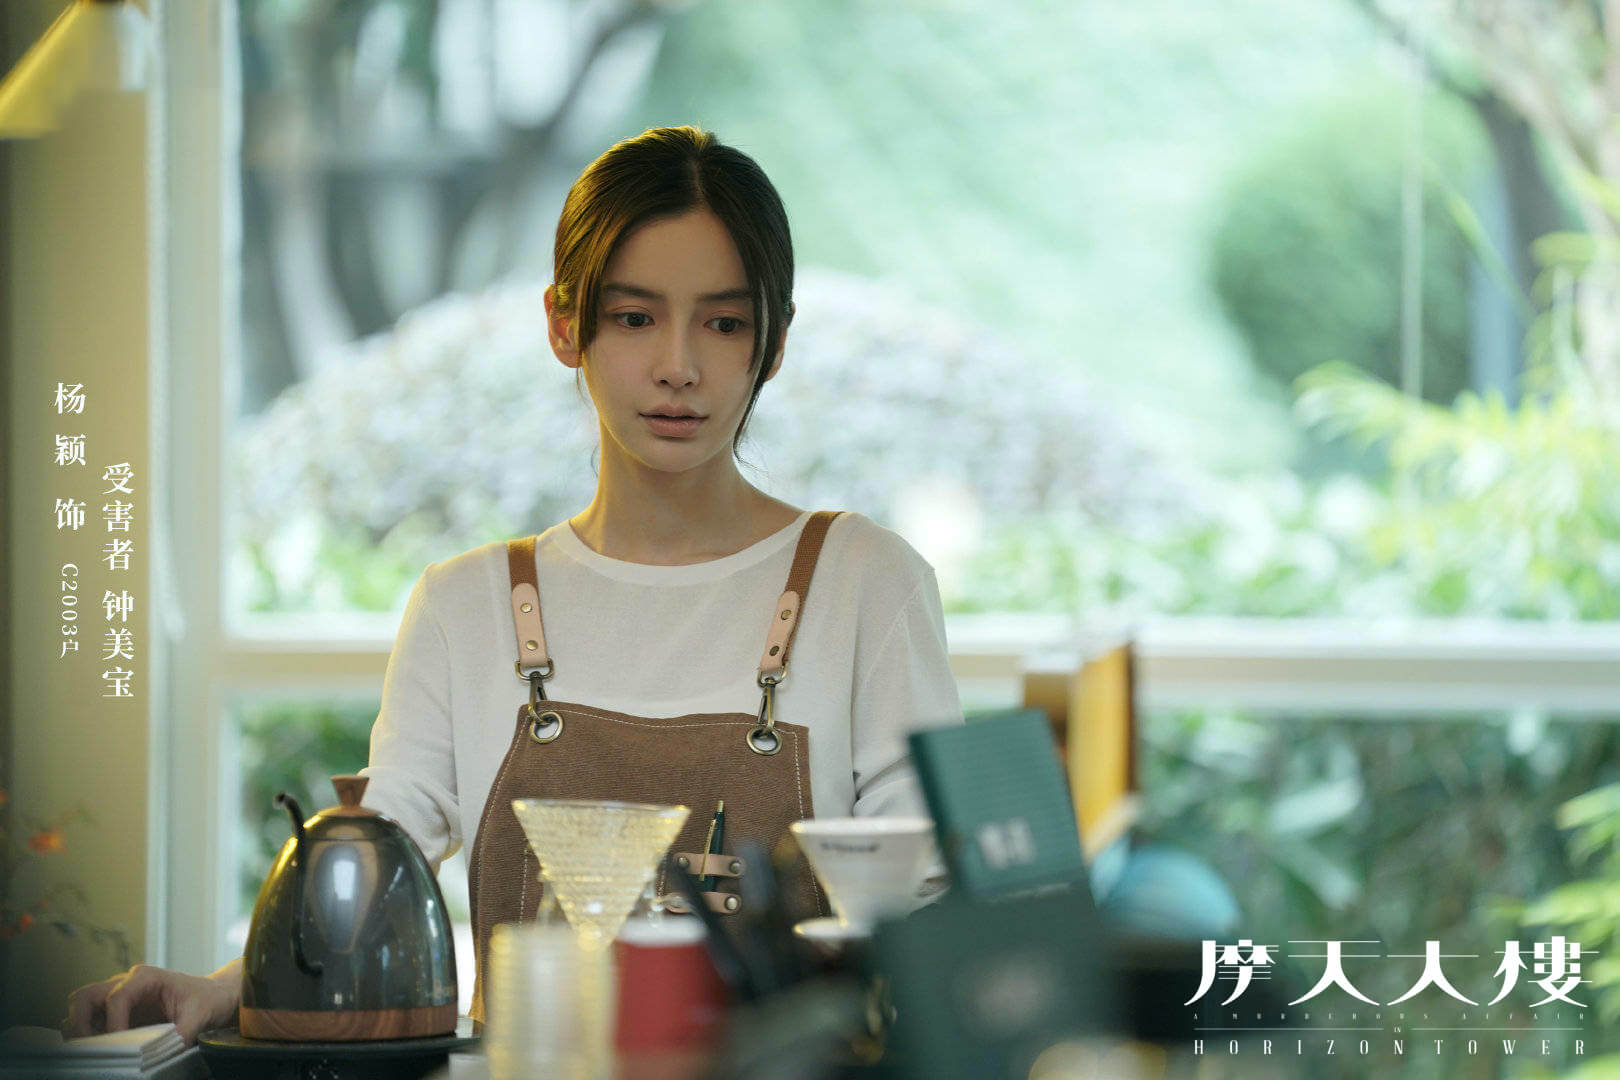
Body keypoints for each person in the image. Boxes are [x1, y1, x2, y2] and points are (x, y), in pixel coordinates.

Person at [63, 124, 962, 1042]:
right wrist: (228, 987)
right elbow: (378, 860)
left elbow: (931, 894)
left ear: (773, 343)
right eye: (635, 317)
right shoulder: (466, 606)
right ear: (564, 325)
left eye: (723, 323)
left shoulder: (865, 583)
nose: (678, 366)